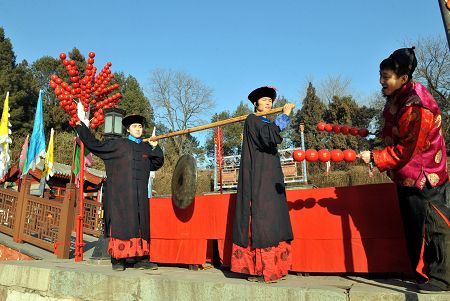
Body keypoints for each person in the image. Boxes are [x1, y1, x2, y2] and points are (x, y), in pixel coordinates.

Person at [359, 47, 449, 293]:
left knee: (434, 226)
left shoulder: (417, 105)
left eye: (386, 77)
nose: (381, 81)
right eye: (380, 75)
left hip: (425, 173)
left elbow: (408, 149)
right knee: (414, 227)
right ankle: (423, 275)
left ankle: (443, 279)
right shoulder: (394, 101)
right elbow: (392, 131)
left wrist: (376, 157)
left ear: (403, 79)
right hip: (405, 175)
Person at [73, 113, 164, 271]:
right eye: (135, 126)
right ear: (128, 129)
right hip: (121, 196)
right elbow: (95, 145)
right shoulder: (117, 144)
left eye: (140, 126)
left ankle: (140, 259)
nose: (138, 129)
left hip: (140, 196)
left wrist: (155, 146)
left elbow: (156, 163)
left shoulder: (145, 147)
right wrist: (82, 127)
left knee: (141, 225)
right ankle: (118, 260)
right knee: (122, 225)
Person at [231, 86, 295, 283]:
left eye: (270, 101)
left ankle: (278, 267)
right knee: (262, 219)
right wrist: (284, 116)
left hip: (271, 178)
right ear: (255, 103)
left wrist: (280, 120)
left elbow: (273, 134)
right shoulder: (253, 120)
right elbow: (270, 136)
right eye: (264, 100)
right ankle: (262, 270)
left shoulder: (265, 122)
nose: (268, 103)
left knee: (274, 219)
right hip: (258, 179)